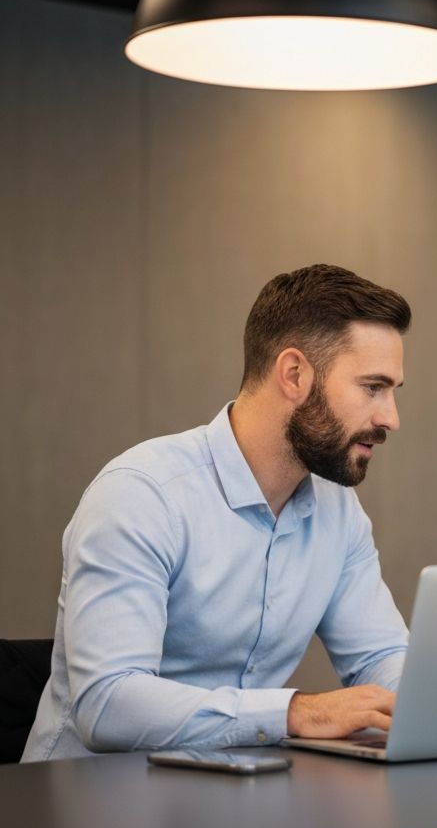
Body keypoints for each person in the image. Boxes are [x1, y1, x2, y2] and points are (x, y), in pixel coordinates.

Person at [23, 263, 411, 760]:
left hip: (232, 795)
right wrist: (296, 713)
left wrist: (433, 707)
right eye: (372, 388)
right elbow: (108, 704)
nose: (390, 418)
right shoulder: (143, 495)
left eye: (394, 392)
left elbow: (380, 657)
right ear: (294, 374)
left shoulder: (338, 512)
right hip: (87, 805)